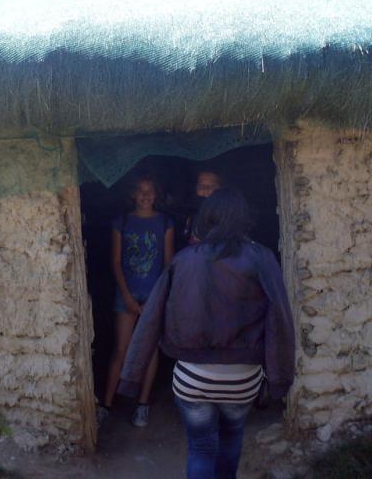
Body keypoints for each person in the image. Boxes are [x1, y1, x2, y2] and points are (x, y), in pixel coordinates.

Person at [119, 188, 295, 478]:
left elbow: (150, 318)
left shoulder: (184, 259)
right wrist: (280, 378)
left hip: (192, 377)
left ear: (206, 218)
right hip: (242, 379)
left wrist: (130, 377)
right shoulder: (261, 258)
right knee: (231, 438)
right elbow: (281, 318)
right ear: (244, 219)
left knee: (200, 447)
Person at [99, 175, 174, 427]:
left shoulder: (165, 223)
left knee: (150, 349)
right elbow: (116, 262)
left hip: (154, 294)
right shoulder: (121, 222)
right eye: (140, 190)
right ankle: (106, 404)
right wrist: (128, 297)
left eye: (150, 190)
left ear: (156, 194)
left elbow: (168, 264)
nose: (145, 195)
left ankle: (143, 404)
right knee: (121, 349)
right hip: (126, 295)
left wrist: (157, 298)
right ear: (133, 194)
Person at [182, 169, 222, 245]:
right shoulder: (188, 216)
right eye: (201, 186)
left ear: (221, 190)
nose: (206, 190)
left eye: (212, 186)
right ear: (195, 189)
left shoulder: (227, 218)